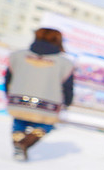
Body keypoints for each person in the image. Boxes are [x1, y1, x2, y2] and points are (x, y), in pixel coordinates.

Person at [5, 27, 75, 161]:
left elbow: (8, 78)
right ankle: (24, 144)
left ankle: (19, 143)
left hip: (18, 99)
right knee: (45, 126)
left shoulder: (18, 55)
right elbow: (68, 86)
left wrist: (8, 94)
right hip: (47, 104)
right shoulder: (64, 63)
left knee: (19, 122)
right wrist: (68, 101)